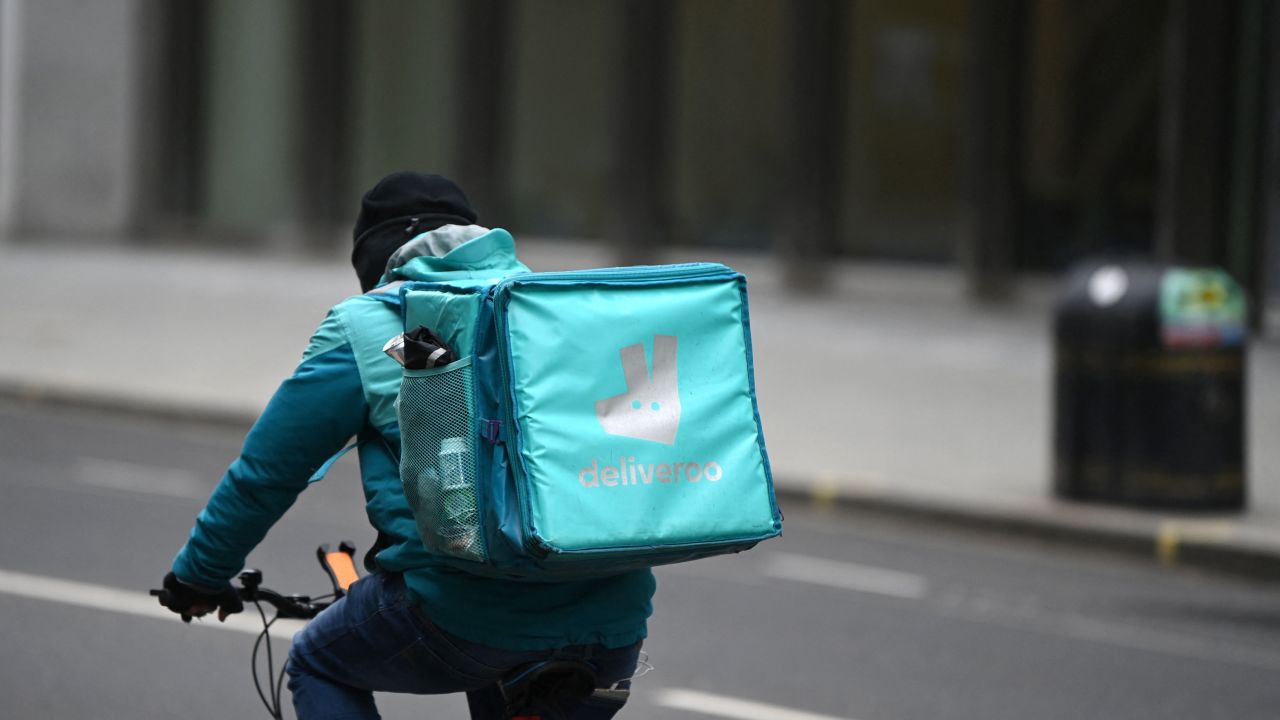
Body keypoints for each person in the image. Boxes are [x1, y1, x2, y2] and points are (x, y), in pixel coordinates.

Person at [159, 172, 656, 719]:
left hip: (461, 610)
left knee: (319, 661)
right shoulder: (550, 308)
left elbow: (266, 475)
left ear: (376, 262)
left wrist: (198, 576)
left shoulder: (370, 325)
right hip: (612, 621)